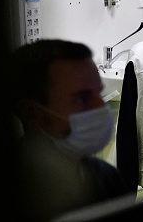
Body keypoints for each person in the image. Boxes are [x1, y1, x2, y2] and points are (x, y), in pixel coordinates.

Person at [10, 39, 131, 221]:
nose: (100, 107)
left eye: (98, 93)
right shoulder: (3, 197)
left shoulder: (107, 179)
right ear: (32, 113)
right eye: (82, 98)